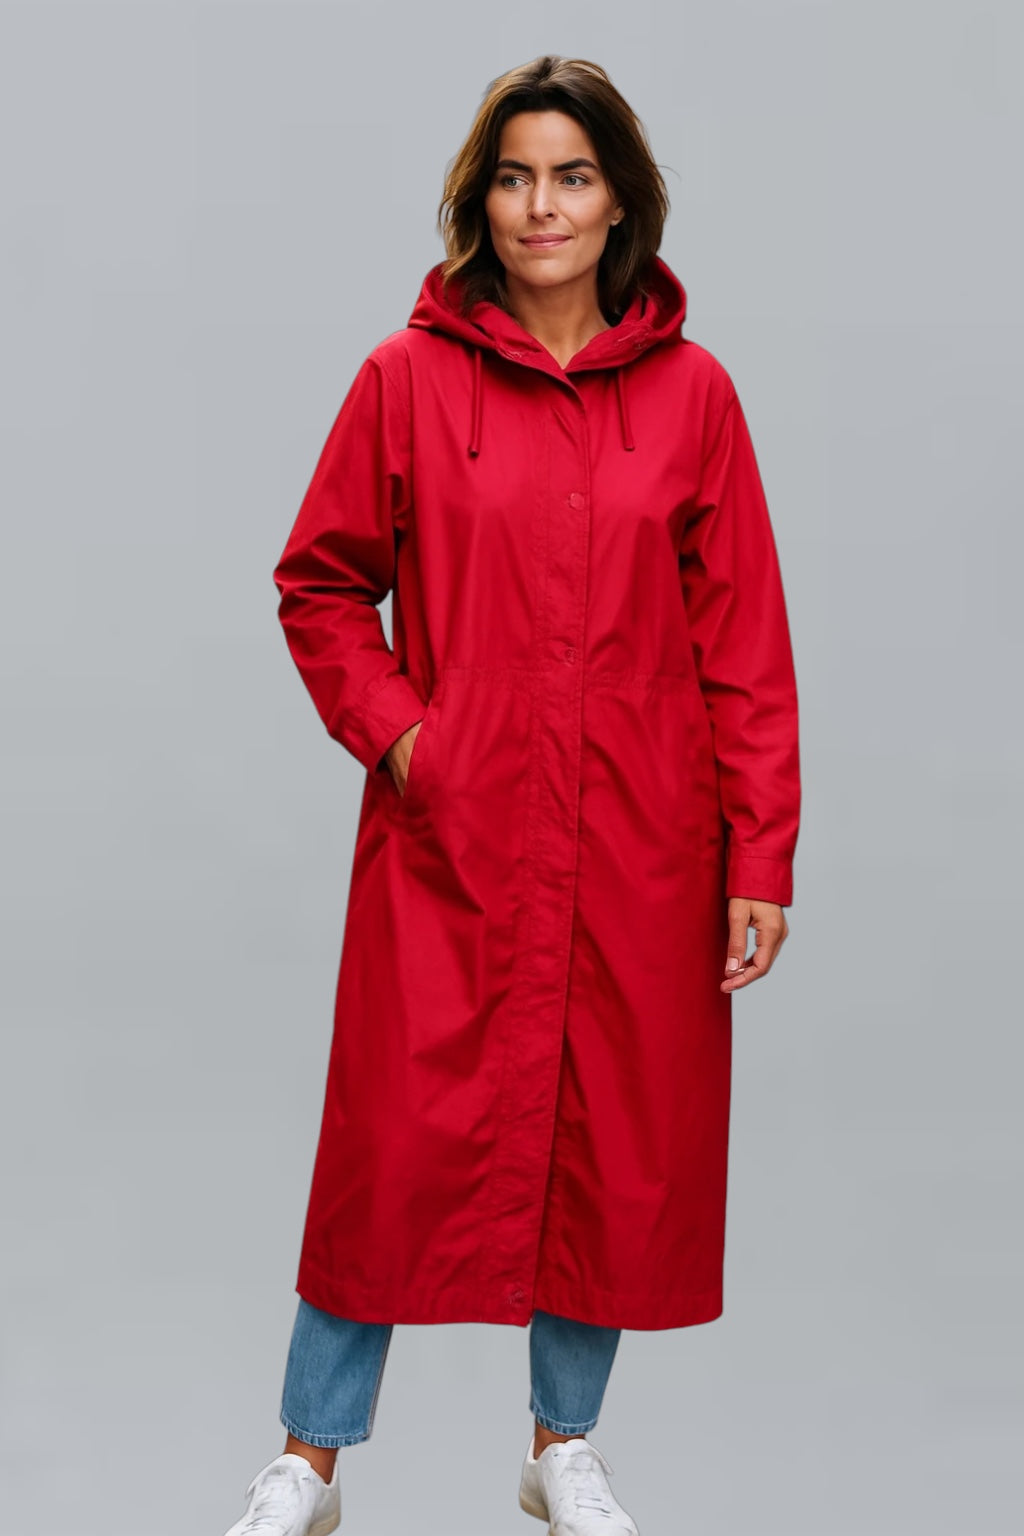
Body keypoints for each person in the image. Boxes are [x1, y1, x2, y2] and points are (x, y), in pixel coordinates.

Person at [223, 52, 801, 1536]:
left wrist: (760, 855)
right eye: (515, 176)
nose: (542, 205)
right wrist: (407, 740)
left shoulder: (695, 399)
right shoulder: (407, 380)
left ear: (620, 206)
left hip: (639, 835)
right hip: (456, 836)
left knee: (608, 1137)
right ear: (481, 201)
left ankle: (563, 1447)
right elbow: (320, 586)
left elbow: (743, 645)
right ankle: (309, 1461)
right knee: (389, 1143)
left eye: (573, 176)